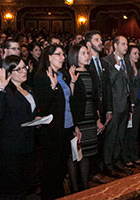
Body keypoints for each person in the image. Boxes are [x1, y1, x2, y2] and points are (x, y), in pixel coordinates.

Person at [33, 44, 80, 200]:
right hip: (52, 130)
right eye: (58, 54)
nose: (62, 58)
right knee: (51, 169)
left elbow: (68, 101)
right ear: (49, 57)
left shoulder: (62, 75)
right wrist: (52, 88)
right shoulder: (41, 77)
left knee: (61, 168)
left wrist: (72, 82)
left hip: (66, 126)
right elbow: (42, 106)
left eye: (63, 55)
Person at [0, 55, 37, 199]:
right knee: (10, 191)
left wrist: (37, 120)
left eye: (25, 67)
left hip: (26, 145)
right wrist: (1, 88)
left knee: (22, 188)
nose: (24, 71)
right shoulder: (5, 91)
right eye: (19, 69)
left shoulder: (28, 88)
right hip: (10, 149)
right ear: (9, 73)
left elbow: (27, 113)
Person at [67, 43, 104, 192]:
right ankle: (74, 188)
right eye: (83, 53)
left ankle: (84, 185)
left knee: (86, 152)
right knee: (74, 154)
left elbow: (94, 98)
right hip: (77, 118)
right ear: (75, 56)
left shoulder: (91, 73)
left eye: (87, 53)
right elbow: (70, 98)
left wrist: (97, 119)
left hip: (90, 117)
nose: (87, 56)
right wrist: (72, 81)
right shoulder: (69, 72)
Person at [84, 30, 114, 181]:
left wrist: (109, 109)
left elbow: (107, 87)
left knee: (101, 141)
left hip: (103, 107)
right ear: (89, 44)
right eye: (97, 40)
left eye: (101, 39)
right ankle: (91, 173)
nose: (101, 42)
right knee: (92, 142)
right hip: (90, 110)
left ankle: (98, 169)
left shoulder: (104, 63)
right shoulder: (84, 64)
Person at [103, 35, 133, 175]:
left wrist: (131, 102)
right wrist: (116, 67)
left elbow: (129, 82)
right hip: (114, 106)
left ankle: (116, 160)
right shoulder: (107, 61)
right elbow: (109, 83)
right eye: (123, 44)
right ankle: (108, 164)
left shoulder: (126, 61)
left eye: (126, 44)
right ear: (115, 46)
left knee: (121, 135)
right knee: (111, 136)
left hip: (125, 104)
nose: (126, 47)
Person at [122, 45, 140, 168]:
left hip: (138, 104)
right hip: (129, 105)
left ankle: (134, 155)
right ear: (129, 55)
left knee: (134, 132)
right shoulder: (126, 68)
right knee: (128, 132)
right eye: (134, 53)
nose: (137, 56)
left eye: (138, 53)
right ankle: (126, 156)